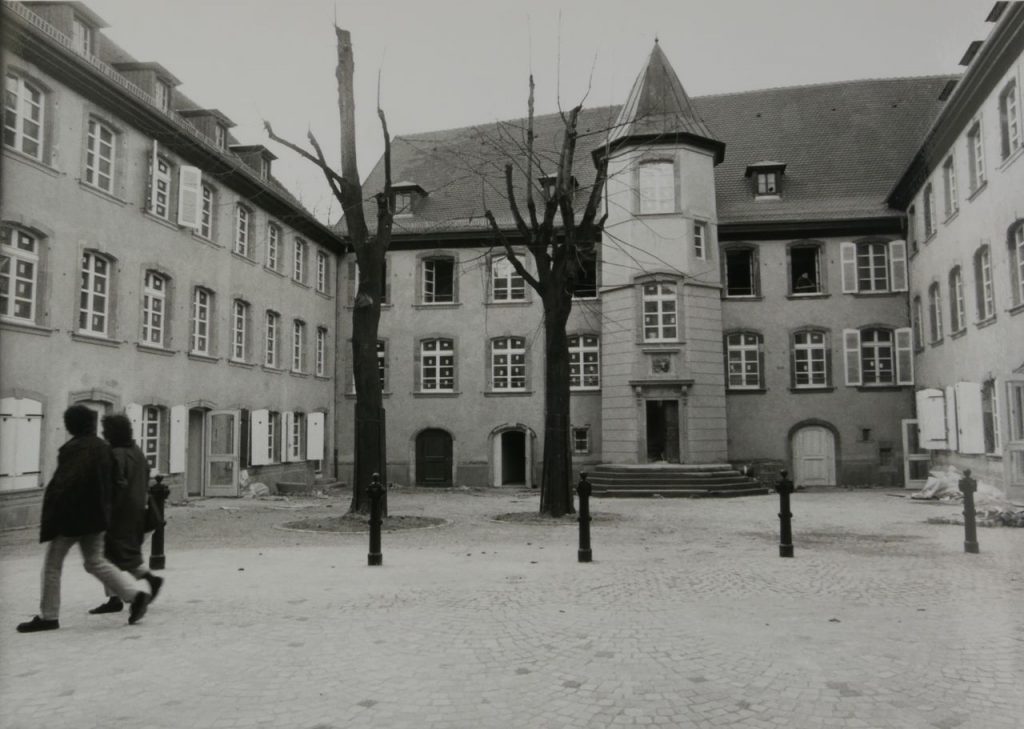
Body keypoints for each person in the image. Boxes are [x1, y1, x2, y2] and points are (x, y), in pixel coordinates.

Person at [16, 405, 151, 633]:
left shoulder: (72, 449)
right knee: (95, 562)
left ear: (71, 425)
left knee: (52, 566)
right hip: (97, 518)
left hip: (71, 518)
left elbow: (63, 486)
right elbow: (118, 482)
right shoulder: (103, 448)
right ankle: (135, 596)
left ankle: (49, 616)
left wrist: (54, 516)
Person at [88, 414, 164, 615]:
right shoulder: (136, 451)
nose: (104, 435)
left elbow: (114, 485)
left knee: (106, 556)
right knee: (120, 554)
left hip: (119, 512)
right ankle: (137, 585)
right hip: (138, 511)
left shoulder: (116, 454)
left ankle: (124, 594)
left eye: (106, 431)